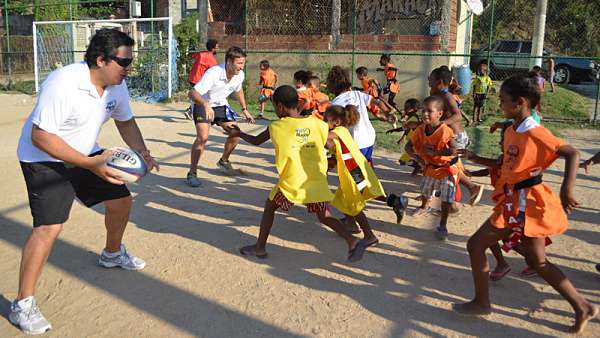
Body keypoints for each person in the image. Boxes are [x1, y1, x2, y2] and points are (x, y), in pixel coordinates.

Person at [11, 29, 159, 335]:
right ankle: (22, 304)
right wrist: (91, 163)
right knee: (49, 227)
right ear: (101, 60)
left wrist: (142, 152)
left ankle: (112, 254)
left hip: (84, 152)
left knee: (121, 202)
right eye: (124, 62)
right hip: (43, 156)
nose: (129, 68)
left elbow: (125, 120)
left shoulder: (116, 86)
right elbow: (40, 136)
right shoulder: (64, 82)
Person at [452, 74, 598, 334]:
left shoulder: (534, 131)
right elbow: (506, 164)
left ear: (519, 102)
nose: (499, 104)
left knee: (476, 244)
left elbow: (571, 153)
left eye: (503, 100)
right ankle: (582, 306)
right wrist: (476, 158)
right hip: (512, 202)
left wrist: (567, 189)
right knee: (538, 262)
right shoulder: (512, 129)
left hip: (525, 204)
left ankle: (482, 302)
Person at [229, 85, 367, 261]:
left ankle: (259, 248)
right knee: (324, 216)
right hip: (316, 179)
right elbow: (328, 145)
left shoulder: (276, 126)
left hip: (292, 183)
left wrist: (239, 133)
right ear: (298, 102)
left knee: (270, 207)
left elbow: (256, 141)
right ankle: (352, 240)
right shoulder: (319, 124)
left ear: (279, 106)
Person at [186, 46, 255, 187]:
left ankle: (224, 160)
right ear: (229, 62)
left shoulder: (239, 75)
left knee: (236, 133)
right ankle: (192, 173)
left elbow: (239, 90)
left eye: (243, 63)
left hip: (221, 106)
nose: (242, 67)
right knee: (203, 138)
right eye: (239, 63)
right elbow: (192, 93)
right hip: (202, 103)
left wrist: (244, 109)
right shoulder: (214, 73)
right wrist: (205, 105)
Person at [405, 96, 460, 240]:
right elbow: (408, 146)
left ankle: (443, 225)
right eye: (423, 110)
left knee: (447, 198)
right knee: (425, 190)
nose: (425, 114)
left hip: (447, 168)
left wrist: (436, 152)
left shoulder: (445, 131)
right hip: (430, 167)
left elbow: (454, 151)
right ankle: (425, 206)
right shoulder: (420, 129)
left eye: (429, 111)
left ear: (440, 114)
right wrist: (417, 158)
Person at [428, 66, 484, 206]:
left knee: (448, 166)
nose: (428, 81)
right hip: (449, 136)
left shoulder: (447, 96)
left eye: (431, 79)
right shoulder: (437, 94)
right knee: (446, 164)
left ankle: (472, 187)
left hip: (456, 137)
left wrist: (440, 124)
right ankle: (436, 192)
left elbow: (457, 115)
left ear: (440, 82)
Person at [326, 65, 397, 164]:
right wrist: (387, 113)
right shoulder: (357, 94)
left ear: (332, 85)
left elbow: (332, 126)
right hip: (368, 138)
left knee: (355, 172)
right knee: (366, 167)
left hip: (354, 142)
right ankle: (370, 177)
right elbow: (377, 101)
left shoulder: (335, 103)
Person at [185, 39, 219, 120]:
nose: (218, 49)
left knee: (200, 96)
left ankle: (190, 110)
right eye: (217, 47)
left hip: (192, 77)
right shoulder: (210, 58)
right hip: (198, 79)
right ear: (213, 48)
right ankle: (190, 111)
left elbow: (193, 57)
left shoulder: (201, 53)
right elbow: (216, 70)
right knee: (202, 96)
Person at [386, 98, 422, 173]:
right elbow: (407, 129)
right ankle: (419, 166)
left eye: (407, 107)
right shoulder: (409, 116)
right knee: (408, 159)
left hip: (416, 143)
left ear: (414, 109)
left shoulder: (414, 118)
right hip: (414, 143)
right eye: (405, 107)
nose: (405, 109)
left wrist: (394, 130)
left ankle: (419, 165)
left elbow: (404, 128)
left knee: (403, 161)